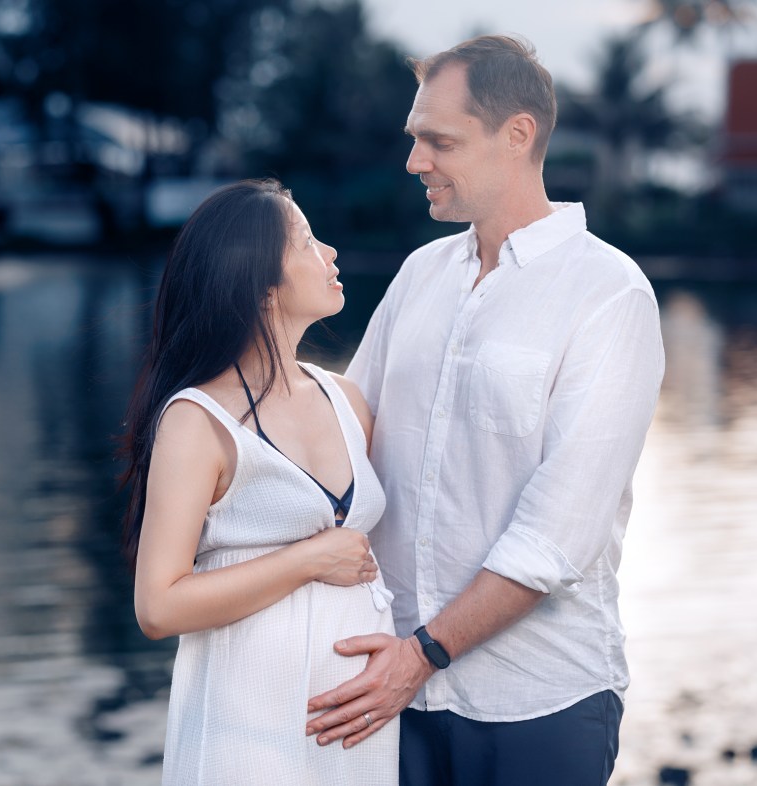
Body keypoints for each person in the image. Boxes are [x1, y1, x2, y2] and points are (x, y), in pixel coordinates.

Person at [304, 35, 665, 784]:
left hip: (540, 702)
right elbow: (349, 426)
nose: (414, 162)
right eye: (414, 140)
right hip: (395, 692)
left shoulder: (610, 294)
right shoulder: (420, 273)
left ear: (518, 135)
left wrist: (423, 653)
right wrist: (234, 395)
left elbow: (554, 537)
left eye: (438, 141)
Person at [121, 179, 399, 785]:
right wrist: (308, 559)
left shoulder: (346, 398)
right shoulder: (197, 420)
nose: (331, 254)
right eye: (307, 242)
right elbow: (157, 605)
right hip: (245, 733)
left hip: (355, 733)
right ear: (262, 284)